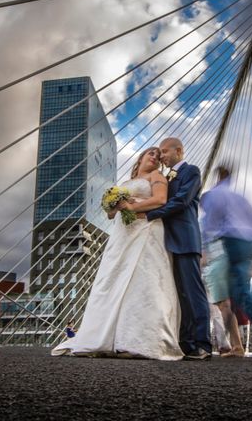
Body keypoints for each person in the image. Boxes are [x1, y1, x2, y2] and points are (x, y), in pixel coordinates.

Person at [51, 147, 183, 360]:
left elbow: (160, 200)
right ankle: (111, 338)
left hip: (146, 230)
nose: (155, 158)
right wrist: (112, 207)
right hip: (122, 235)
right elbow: (113, 214)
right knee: (112, 281)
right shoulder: (126, 183)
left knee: (143, 281)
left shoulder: (156, 176)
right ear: (140, 157)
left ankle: (137, 340)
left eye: (158, 157)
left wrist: (130, 207)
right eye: (151, 153)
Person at [201, 166, 252, 362]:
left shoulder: (213, 195)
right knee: (243, 293)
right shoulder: (239, 198)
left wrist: (204, 246)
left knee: (244, 295)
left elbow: (210, 224)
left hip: (234, 242)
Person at [145, 138, 212, 360]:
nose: (162, 155)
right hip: (167, 242)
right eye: (160, 152)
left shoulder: (191, 171)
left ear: (179, 151)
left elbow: (182, 201)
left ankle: (203, 344)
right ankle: (186, 343)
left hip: (185, 239)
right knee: (180, 295)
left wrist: (149, 214)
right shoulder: (164, 178)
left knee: (194, 293)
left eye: (165, 151)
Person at [202, 239, 244, 357]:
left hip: (214, 262)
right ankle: (231, 345)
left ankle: (233, 346)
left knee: (223, 306)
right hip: (215, 261)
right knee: (221, 307)